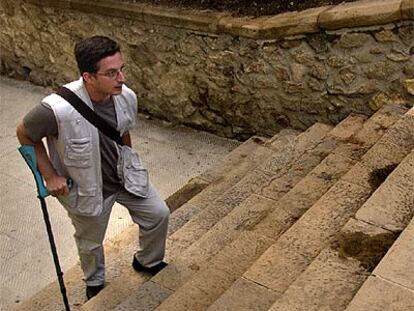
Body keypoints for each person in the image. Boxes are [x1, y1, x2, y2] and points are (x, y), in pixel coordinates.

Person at [16, 36, 170, 300]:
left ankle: (148, 261)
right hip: (88, 189)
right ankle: (95, 282)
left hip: (124, 178)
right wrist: (50, 175)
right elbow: (24, 133)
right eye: (111, 73)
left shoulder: (125, 96)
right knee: (90, 242)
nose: (121, 78)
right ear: (88, 76)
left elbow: (122, 131)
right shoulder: (56, 110)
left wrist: (128, 157)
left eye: (122, 69)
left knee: (159, 214)